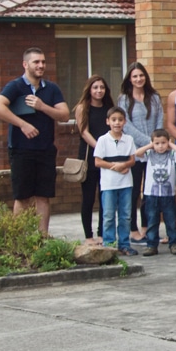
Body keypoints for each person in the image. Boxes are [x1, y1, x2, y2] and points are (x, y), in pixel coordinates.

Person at [0, 47, 69, 235]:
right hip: (21, 149)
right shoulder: (15, 86)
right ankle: (20, 239)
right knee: (22, 197)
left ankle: (42, 239)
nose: (41, 65)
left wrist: (42, 106)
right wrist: (22, 124)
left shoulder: (51, 88)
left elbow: (65, 115)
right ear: (25, 64)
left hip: (45, 149)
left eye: (43, 62)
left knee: (43, 196)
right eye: (36, 62)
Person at [119, 62, 164, 243]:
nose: (138, 79)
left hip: (153, 153)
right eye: (135, 76)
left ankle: (148, 227)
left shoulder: (154, 97)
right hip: (135, 152)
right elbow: (127, 126)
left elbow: (160, 120)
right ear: (130, 79)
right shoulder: (124, 99)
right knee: (133, 191)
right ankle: (132, 229)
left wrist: (157, 142)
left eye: (141, 75)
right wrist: (149, 142)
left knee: (150, 192)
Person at [92, 107, 136, 255]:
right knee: (109, 215)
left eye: (120, 120)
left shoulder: (128, 139)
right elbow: (98, 161)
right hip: (109, 184)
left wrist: (124, 165)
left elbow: (132, 160)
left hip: (126, 183)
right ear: (108, 121)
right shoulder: (103, 140)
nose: (117, 123)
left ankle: (124, 244)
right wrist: (115, 167)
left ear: (125, 122)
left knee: (125, 216)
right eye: (114, 120)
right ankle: (109, 244)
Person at [133, 129, 176, 256]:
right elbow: (137, 153)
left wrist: (170, 144)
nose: (160, 146)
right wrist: (150, 145)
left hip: (168, 194)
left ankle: (174, 243)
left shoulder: (172, 154)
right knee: (152, 220)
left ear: (168, 142)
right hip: (151, 194)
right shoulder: (149, 154)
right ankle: (151, 245)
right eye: (157, 143)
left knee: (171, 220)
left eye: (163, 143)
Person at [73, 75, 110, 244]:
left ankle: (102, 233)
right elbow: (84, 132)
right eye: (95, 87)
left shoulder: (109, 108)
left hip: (107, 159)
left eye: (102, 87)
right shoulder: (82, 108)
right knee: (88, 198)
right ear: (89, 90)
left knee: (105, 198)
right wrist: (100, 148)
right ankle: (88, 236)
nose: (99, 91)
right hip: (89, 157)